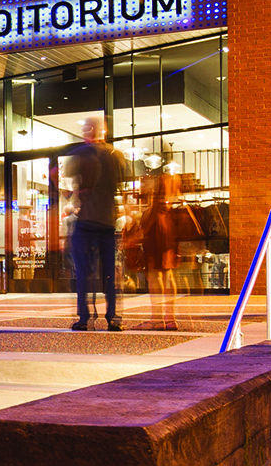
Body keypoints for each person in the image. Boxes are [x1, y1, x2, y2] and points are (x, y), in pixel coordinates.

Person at [61, 118, 131, 331]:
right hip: (107, 221)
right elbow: (124, 182)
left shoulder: (80, 154)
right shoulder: (115, 155)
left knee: (83, 272)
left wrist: (73, 194)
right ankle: (113, 318)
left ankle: (84, 317)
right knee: (109, 272)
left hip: (86, 220)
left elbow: (65, 178)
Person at [134, 170, 182, 330]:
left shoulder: (159, 186)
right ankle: (170, 318)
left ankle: (157, 318)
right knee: (168, 273)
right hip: (167, 228)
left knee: (155, 275)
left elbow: (153, 210)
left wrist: (142, 228)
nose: (143, 184)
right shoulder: (171, 181)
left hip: (157, 229)